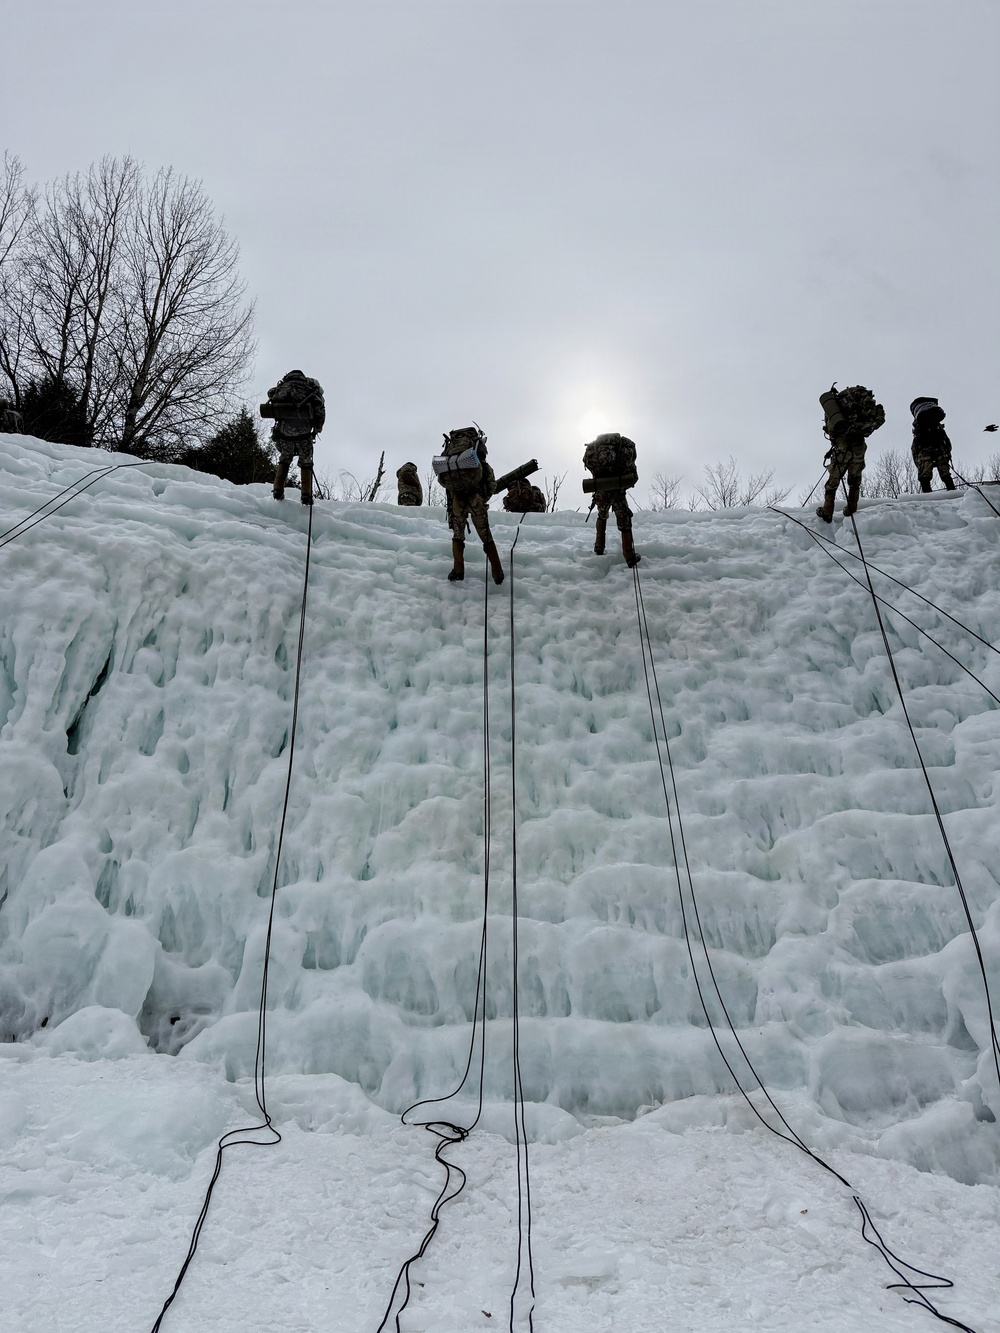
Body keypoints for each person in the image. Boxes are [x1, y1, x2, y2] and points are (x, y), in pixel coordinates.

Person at [434, 425, 504, 584]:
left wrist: (454, 491)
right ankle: (497, 573)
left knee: (458, 535)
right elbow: (491, 483)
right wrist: (482, 497)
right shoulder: (479, 460)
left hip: (457, 499)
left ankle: (458, 571)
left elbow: (442, 480)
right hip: (476, 498)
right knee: (485, 534)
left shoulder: (451, 455)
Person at [816, 384, 885, 522]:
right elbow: (877, 422)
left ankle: (827, 512)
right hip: (859, 445)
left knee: (833, 481)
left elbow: (832, 430)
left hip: (842, 446)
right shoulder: (862, 405)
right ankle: (851, 509)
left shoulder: (836, 406)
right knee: (855, 480)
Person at [265, 370, 325, 506]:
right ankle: (306, 495)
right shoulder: (310, 389)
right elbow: (319, 411)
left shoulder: (283, 387)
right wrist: (317, 428)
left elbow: (271, 396)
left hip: (284, 433)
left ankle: (278, 490)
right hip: (303, 434)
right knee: (306, 462)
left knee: (284, 459)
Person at [583, 432, 640, 567]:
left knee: (602, 515)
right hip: (617, 490)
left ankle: (599, 547)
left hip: (601, 489)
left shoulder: (594, 449)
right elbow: (633, 475)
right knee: (624, 518)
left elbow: (588, 464)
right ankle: (629, 556)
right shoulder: (624, 448)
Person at [910, 397, 956, 492]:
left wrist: (917, 463)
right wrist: (948, 453)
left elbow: (914, 449)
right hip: (939, 448)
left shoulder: (919, 429)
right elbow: (947, 442)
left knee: (925, 474)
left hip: (925, 451)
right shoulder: (937, 427)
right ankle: (952, 491)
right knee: (945, 472)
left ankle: (927, 493)